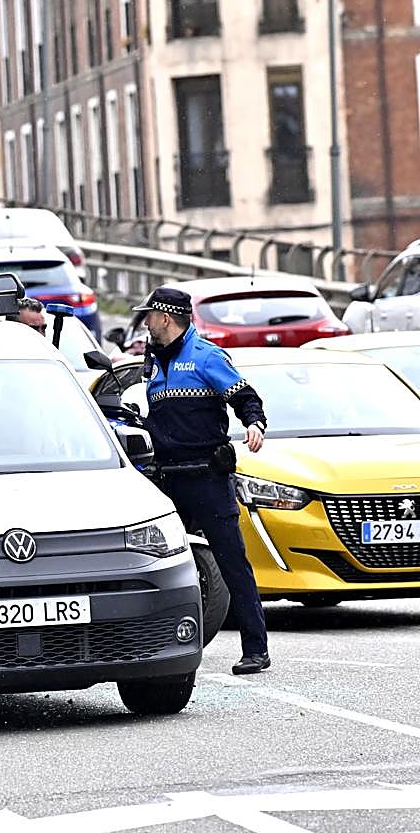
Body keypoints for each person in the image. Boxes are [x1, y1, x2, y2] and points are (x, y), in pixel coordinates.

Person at [134, 286, 271, 675]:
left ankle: (256, 649)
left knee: (232, 563)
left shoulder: (207, 356)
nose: (145, 323)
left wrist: (255, 424)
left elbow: (245, 397)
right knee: (158, 563)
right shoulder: (153, 362)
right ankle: (159, 644)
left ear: (165, 318)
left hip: (207, 478)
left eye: (149, 316)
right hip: (168, 480)